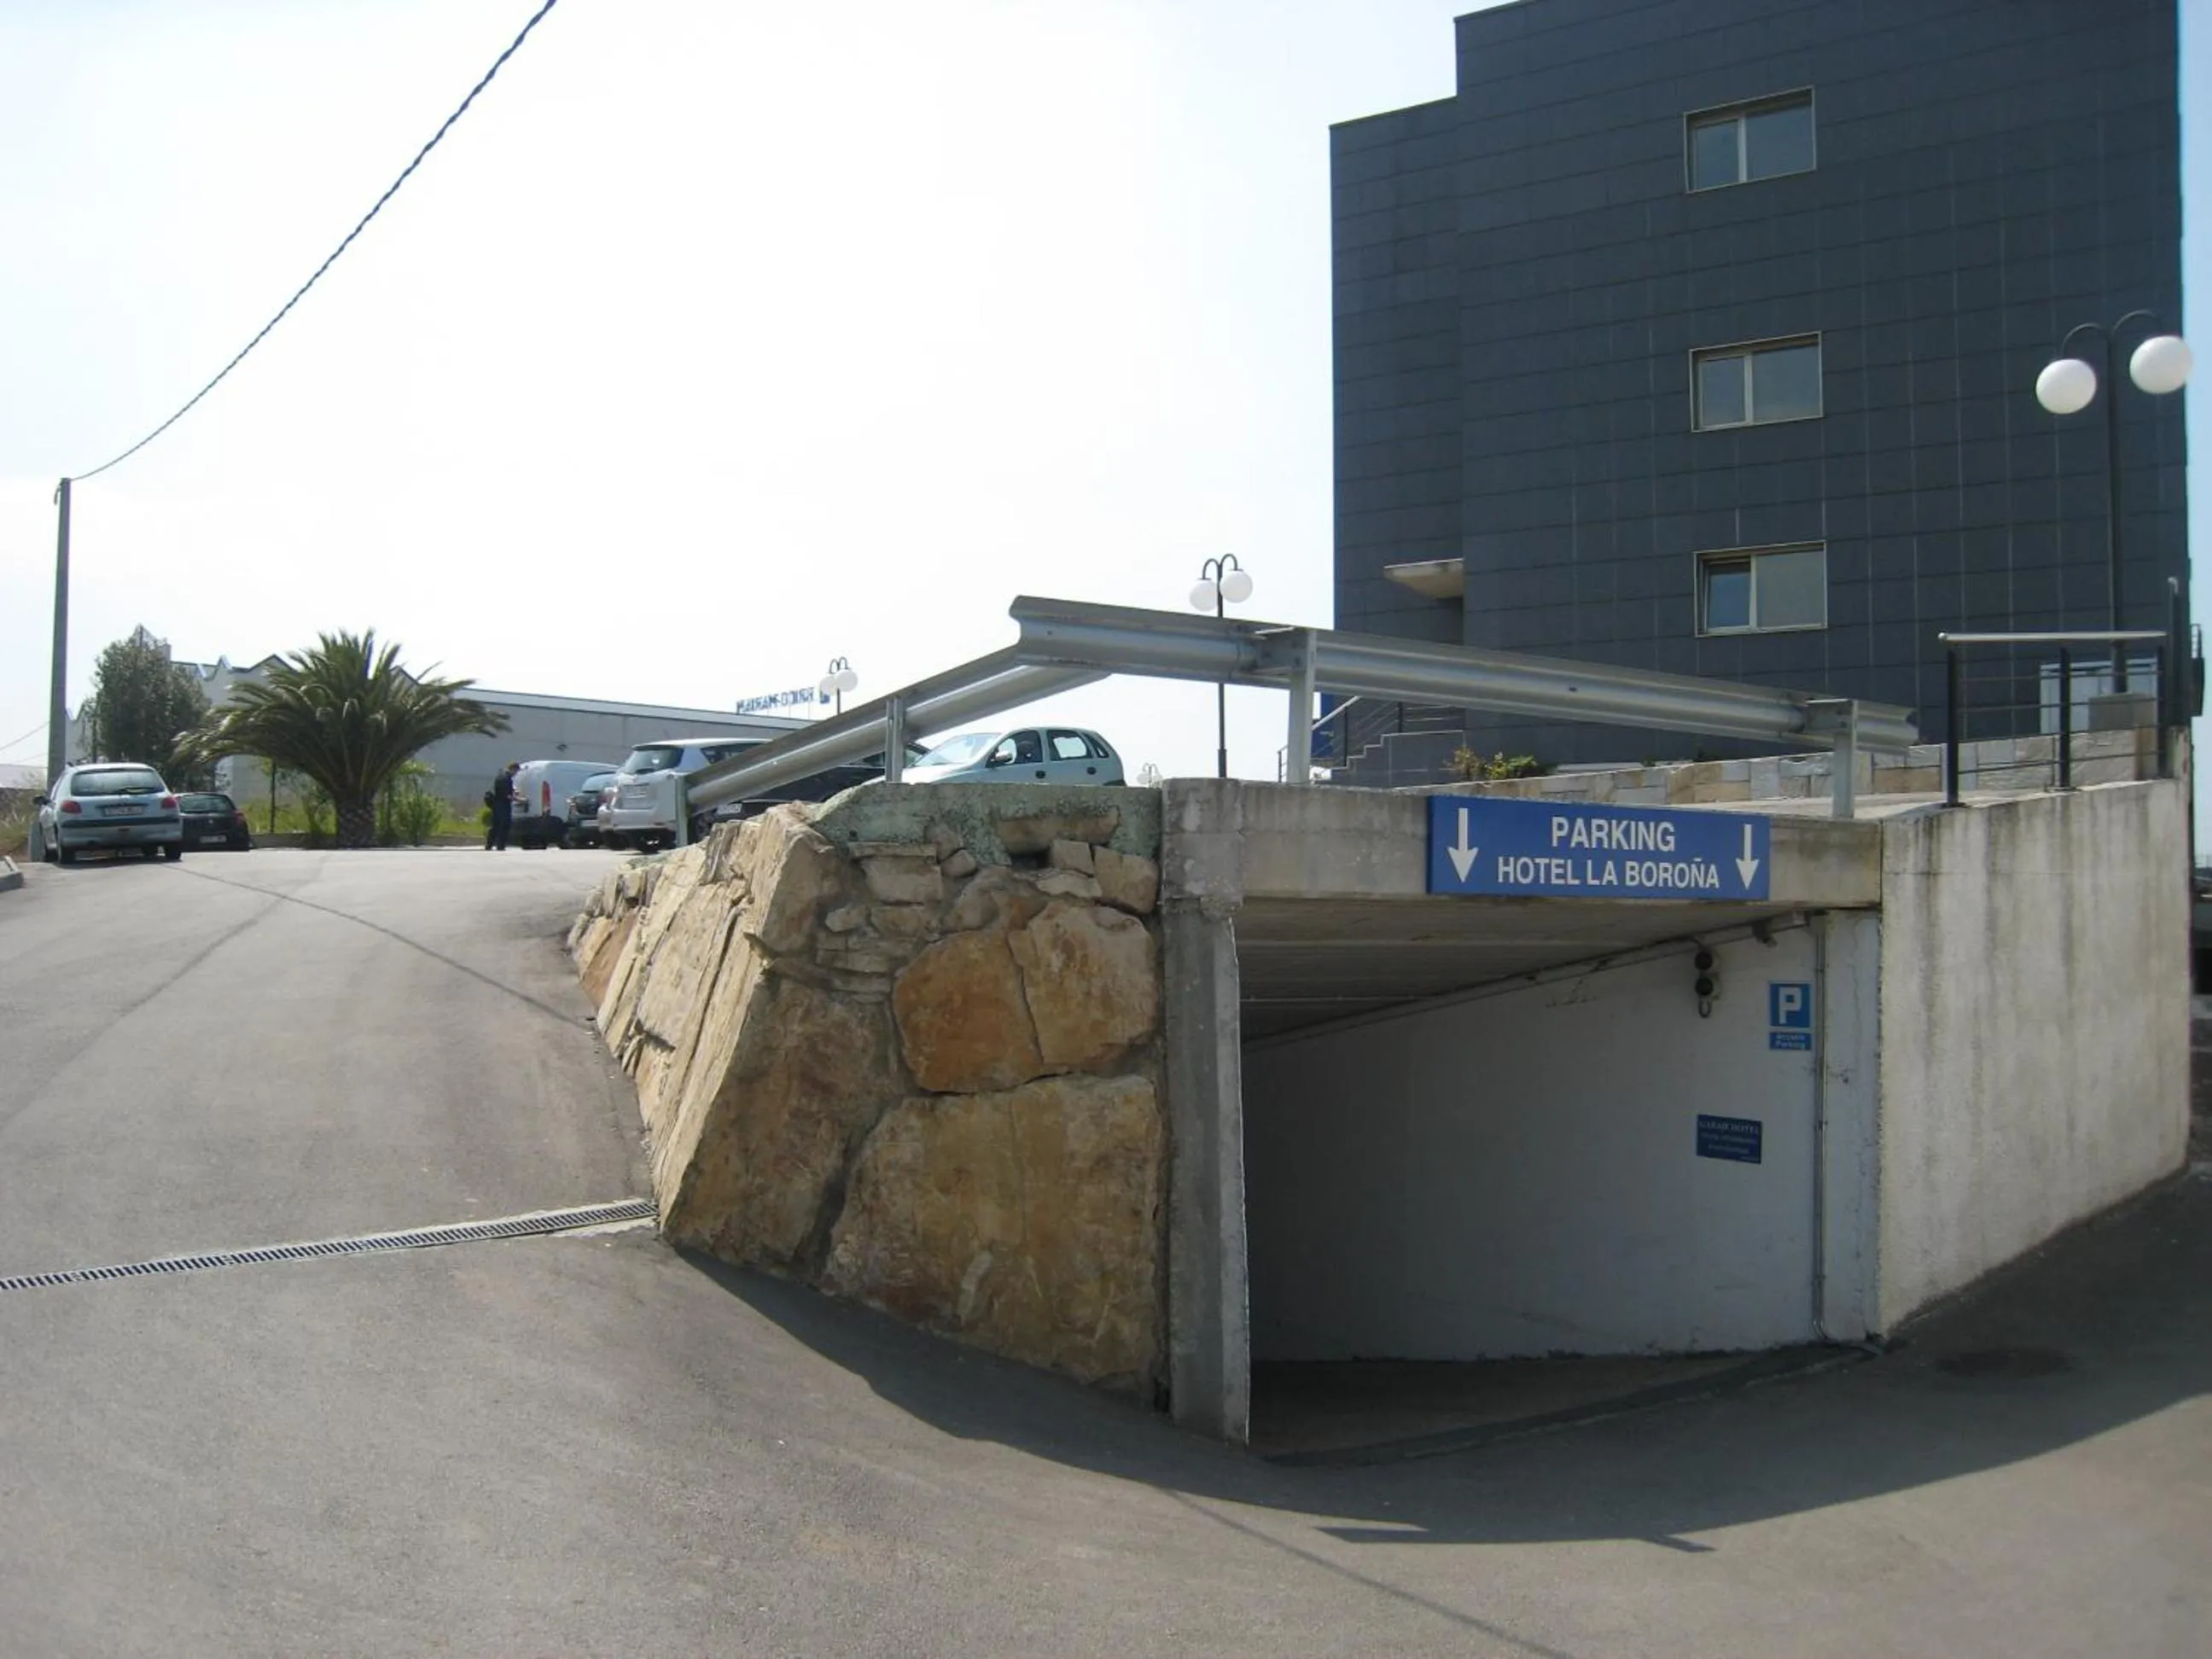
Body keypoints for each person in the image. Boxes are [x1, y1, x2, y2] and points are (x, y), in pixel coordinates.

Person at [485, 760, 519, 851]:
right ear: (513, 769)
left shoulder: (500, 777)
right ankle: (501, 846)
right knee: (504, 826)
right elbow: (506, 795)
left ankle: (489, 845)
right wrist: (520, 799)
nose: (516, 774)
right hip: (503, 805)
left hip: (496, 805)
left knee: (495, 826)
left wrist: (513, 793)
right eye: (516, 771)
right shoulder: (506, 779)